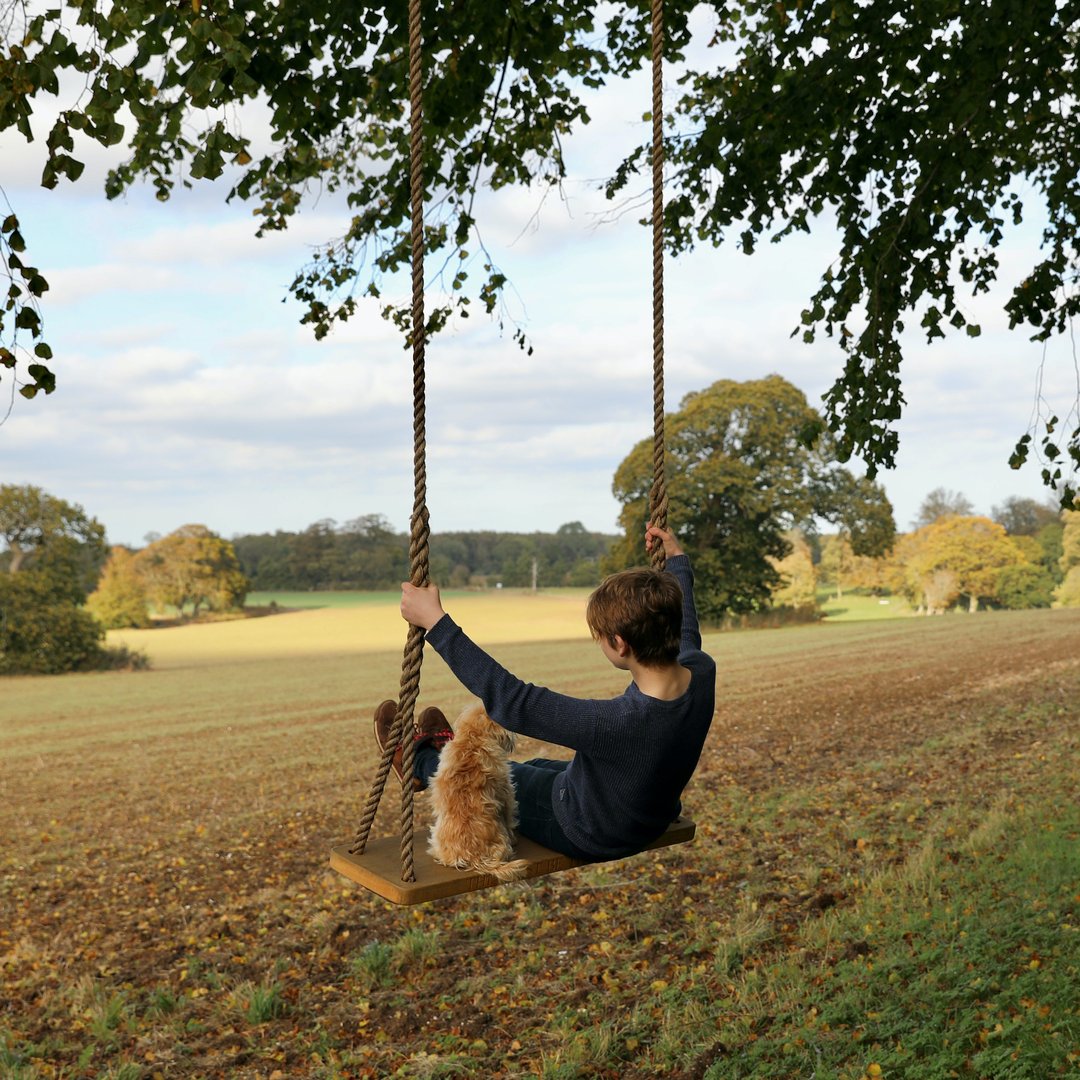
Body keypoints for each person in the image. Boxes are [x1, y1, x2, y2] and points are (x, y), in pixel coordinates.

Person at [375, 524, 716, 862]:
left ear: (619, 644)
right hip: (646, 812)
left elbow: (513, 699)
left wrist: (435, 622)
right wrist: (678, 561)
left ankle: (419, 761)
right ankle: (440, 757)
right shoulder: (700, 670)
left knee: (484, 778)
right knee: (533, 766)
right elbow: (687, 630)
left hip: (589, 830)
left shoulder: (618, 723)